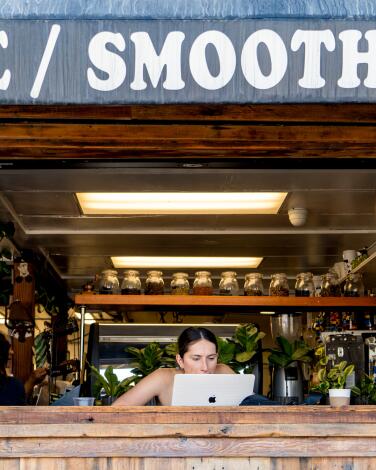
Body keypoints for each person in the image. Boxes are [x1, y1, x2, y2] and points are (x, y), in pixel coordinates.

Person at [112, 326, 234, 406]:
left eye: (211, 358)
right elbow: (117, 410)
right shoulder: (163, 378)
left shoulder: (223, 371)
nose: (205, 367)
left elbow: (250, 407)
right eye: (196, 358)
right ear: (180, 360)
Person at [0, 332, 47, 405]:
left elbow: (15, 397)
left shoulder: (13, 386)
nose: (12, 352)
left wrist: (31, 381)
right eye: (7, 348)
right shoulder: (13, 385)